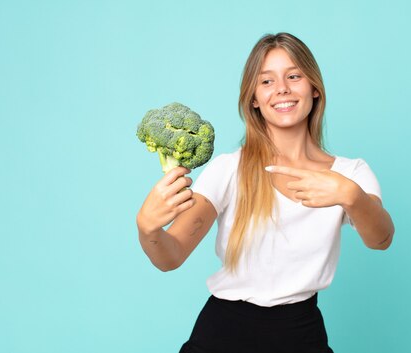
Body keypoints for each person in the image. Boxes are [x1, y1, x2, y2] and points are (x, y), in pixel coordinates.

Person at [136, 32, 395, 353]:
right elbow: (170, 255)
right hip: (222, 333)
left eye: (294, 76)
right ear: (254, 98)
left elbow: (381, 239)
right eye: (267, 81)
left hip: (302, 333)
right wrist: (147, 228)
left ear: (314, 87)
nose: (282, 88)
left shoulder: (351, 174)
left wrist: (351, 196)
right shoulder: (229, 169)